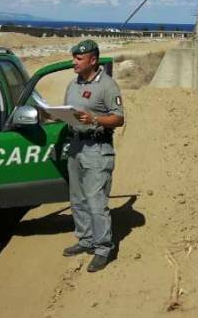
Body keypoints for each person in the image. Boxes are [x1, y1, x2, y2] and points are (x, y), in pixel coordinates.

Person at [61, 39, 125, 272]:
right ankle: (86, 239)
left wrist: (95, 119)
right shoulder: (73, 84)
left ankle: (102, 248)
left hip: (98, 150)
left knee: (96, 202)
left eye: (78, 59)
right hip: (76, 147)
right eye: (74, 58)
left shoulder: (107, 86)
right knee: (77, 199)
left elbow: (119, 118)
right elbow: (68, 112)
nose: (74, 62)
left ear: (93, 60)